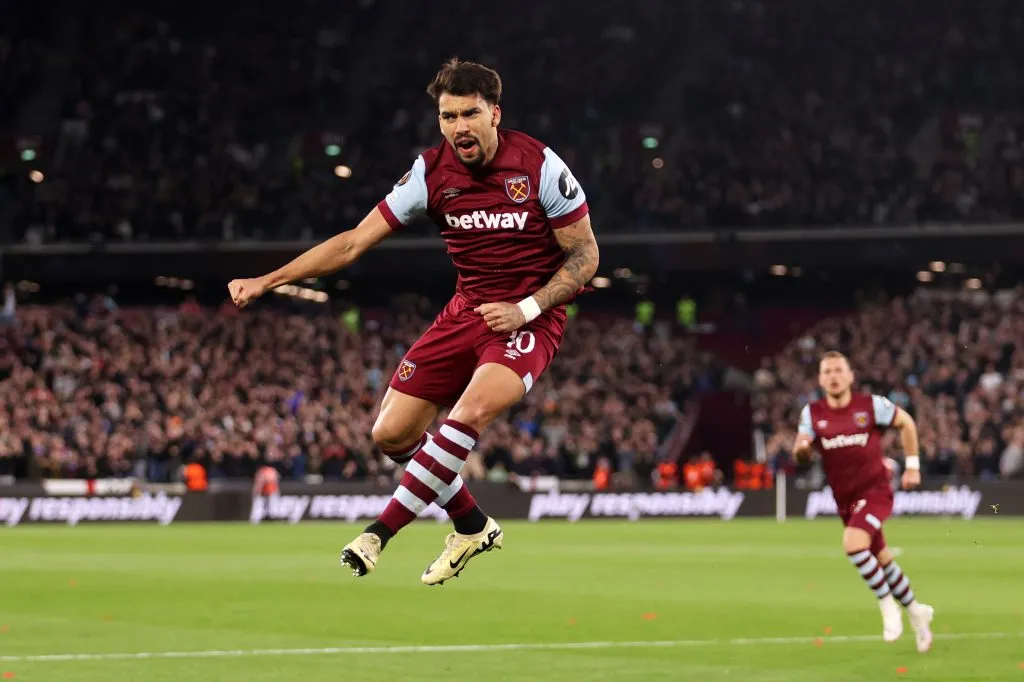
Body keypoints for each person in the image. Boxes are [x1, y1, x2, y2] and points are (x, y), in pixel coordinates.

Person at [227, 58, 599, 585]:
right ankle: (470, 525)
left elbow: (586, 258)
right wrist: (268, 279)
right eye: (448, 117)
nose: (459, 128)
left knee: (466, 414)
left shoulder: (540, 166)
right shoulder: (429, 173)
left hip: (529, 319)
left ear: (496, 113)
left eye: (470, 114)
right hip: (466, 311)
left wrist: (528, 308)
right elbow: (353, 242)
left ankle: (379, 532)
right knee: (392, 434)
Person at [793, 351, 934, 652]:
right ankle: (916, 612)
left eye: (838, 370)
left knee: (853, 544)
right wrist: (802, 452)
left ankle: (887, 606)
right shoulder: (812, 414)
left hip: (875, 492)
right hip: (845, 499)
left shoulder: (871, 405)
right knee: (882, 558)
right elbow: (799, 449)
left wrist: (912, 466)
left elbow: (906, 423)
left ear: (850, 375)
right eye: (827, 371)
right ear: (820, 379)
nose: (833, 376)